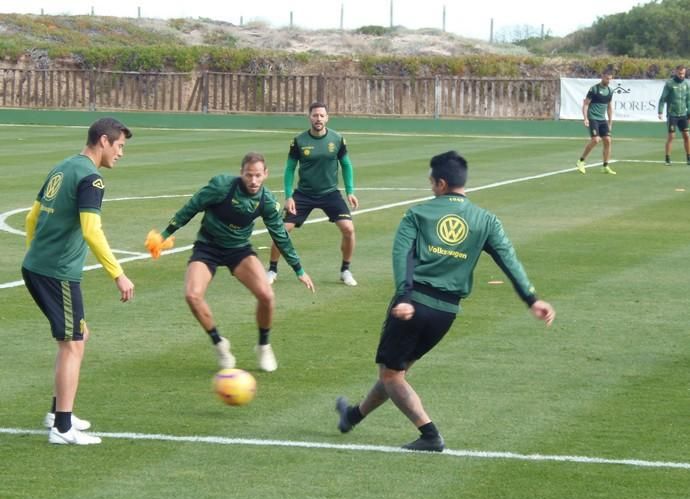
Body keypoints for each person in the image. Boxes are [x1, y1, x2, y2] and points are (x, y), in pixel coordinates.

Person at [335, 151, 556, 452]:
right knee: (395, 372)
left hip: (413, 304)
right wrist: (532, 299)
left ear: (440, 183)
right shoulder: (486, 220)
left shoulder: (417, 214)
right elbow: (509, 260)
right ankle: (352, 416)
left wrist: (403, 296)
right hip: (446, 313)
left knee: (391, 375)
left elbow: (403, 256)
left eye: (431, 181)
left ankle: (429, 434)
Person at [145, 152, 315, 373]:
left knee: (267, 295)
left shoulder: (267, 201)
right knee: (192, 295)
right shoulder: (221, 187)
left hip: (239, 250)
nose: (253, 181)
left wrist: (298, 269)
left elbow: (280, 235)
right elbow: (192, 207)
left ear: (265, 174)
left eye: (257, 176)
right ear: (241, 173)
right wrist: (165, 234)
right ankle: (219, 343)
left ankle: (264, 346)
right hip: (208, 247)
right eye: (248, 175)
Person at [22, 117, 135, 446]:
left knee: (78, 336)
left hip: (39, 266)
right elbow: (91, 230)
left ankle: (58, 413)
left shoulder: (63, 167)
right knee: (72, 344)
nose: (121, 153)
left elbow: (32, 216)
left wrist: (36, 254)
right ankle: (62, 428)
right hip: (57, 272)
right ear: (103, 141)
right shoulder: (92, 179)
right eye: (120, 146)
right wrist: (118, 273)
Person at [266, 101, 359, 287]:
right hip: (304, 194)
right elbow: (290, 169)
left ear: (327, 117)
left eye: (321, 115)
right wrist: (289, 196)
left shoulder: (337, 139)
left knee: (348, 229)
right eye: (315, 115)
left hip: (330, 193)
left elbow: (346, 165)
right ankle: (272, 269)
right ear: (309, 117)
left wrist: (350, 191)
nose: (318, 119)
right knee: (282, 231)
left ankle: (345, 270)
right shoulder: (299, 141)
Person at [576, 70, 617, 175]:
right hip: (593, 117)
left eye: (610, 79)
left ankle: (605, 166)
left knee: (608, 140)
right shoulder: (594, 89)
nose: (608, 80)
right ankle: (581, 161)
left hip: (602, 119)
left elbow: (609, 107)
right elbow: (585, 104)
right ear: (602, 77)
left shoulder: (610, 91)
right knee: (596, 139)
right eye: (607, 78)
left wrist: (610, 122)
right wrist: (585, 118)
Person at [657, 64, 690, 166]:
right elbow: (662, 98)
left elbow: (688, 100)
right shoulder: (669, 84)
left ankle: (688, 158)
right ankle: (667, 158)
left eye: (683, 73)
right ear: (676, 72)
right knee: (671, 136)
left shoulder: (687, 84)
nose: (681, 75)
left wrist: (689, 112)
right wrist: (660, 111)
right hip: (672, 114)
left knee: (687, 136)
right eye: (680, 73)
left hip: (683, 114)